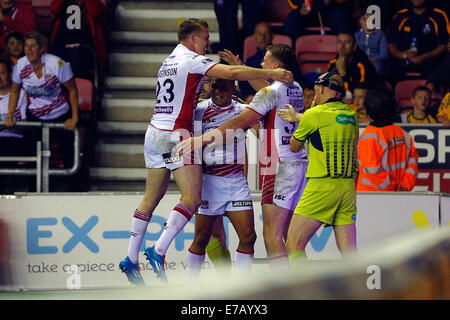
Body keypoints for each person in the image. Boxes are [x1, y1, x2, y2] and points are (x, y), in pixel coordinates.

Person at [117, 19, 293, 287]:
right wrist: (272, 74)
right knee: (192, 200)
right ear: (194, 37)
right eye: (205, 37)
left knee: (150, 200)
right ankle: (159, 250)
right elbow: (231, 74)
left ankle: (130, 258)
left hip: (154, 131)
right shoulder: (191, 60)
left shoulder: (167, 62)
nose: (207, 43)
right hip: (177, 132)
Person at [178, 44, 307, 270]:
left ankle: (286, 291)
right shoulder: (294, 87)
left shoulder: (265, 95)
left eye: (265, 61)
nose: (260, 65)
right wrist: (240, 68)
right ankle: (301, 286)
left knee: (272, 236)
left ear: (275, 66)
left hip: (277, 167)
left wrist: (201, 139)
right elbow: (269, 91)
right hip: (298, 164)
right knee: (290, 237)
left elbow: (240, 122)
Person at [283, 72, 359, 263]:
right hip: (348, 187)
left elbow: (294, 146)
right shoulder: (352, 114)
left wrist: (304, 115)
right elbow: (328, 120)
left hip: (322, 185)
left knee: (293, 245)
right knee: (349, 253)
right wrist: (302, 116)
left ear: (322, 88)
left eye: (315, 88)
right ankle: (360, 291)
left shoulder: (314, 114)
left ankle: (304, 293)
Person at [187, 77, 256, 280]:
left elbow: (262, 130)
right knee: (201, 239)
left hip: (236, 181)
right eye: (214, 87)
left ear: (233, 88)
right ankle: (190, 291)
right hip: (209, 182)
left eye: (224, 88)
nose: (218, 91)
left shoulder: (242, 111)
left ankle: (239, 289)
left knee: (248, 238)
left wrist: (246, 105)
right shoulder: (199, 110)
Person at [3, 31, 79, 184]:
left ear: (42, 48)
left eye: (33, 46)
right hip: (35, 115)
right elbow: (15, 90)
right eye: (26, 46)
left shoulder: (57, 64)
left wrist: (74, 117)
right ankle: (34, 190)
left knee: (69, 155)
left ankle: (75, 190)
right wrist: (10, 114)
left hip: (60, 113)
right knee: (34, 155)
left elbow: (72, 90)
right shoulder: (21, 65)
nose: (28, 50)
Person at [357, 88, 419, 191]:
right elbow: (413, 161)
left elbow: (373, 171)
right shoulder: (402, 133)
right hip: (399, 195)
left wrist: (391, 191)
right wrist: (404, 187)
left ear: (366, 111)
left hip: (371, 197)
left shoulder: (369, 136)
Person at [386, 0, 449, 84]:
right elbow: (391, 42)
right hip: (403, 59)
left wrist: (424, 57)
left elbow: (444, 44)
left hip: (430, 61)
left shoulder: (439, 15)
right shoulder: (400, 15)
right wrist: (400, 55)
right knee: (389, 69)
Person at [50, 0, 107, 81]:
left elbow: (96, 12)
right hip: (61, 47)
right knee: (53, 60)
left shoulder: (93, 4)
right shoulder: (64, 5)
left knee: (77, 58)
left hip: (84, 49)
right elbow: (54, 8)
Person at [0, 57, 28, 193]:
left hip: (13, 139)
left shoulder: (21, 94)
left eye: (2, 73)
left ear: (10, 74)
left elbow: (24, 122)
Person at [239, 22, 273, 103]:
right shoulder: (250, 61)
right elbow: (244, 84)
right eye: (260, 34)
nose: (263, 37)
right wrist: (249, 95)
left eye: (266, 34)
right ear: (254, 36)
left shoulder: (281, 57)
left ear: (272, 36)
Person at [354, 11, 389, 75]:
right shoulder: (357, 35)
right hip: (361, 61)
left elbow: (384, 54)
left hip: (375, 61)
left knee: (376, 67)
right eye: (364, 19)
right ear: (360, 21)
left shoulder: (380, 34)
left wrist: (373, 59)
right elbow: (355, 52)